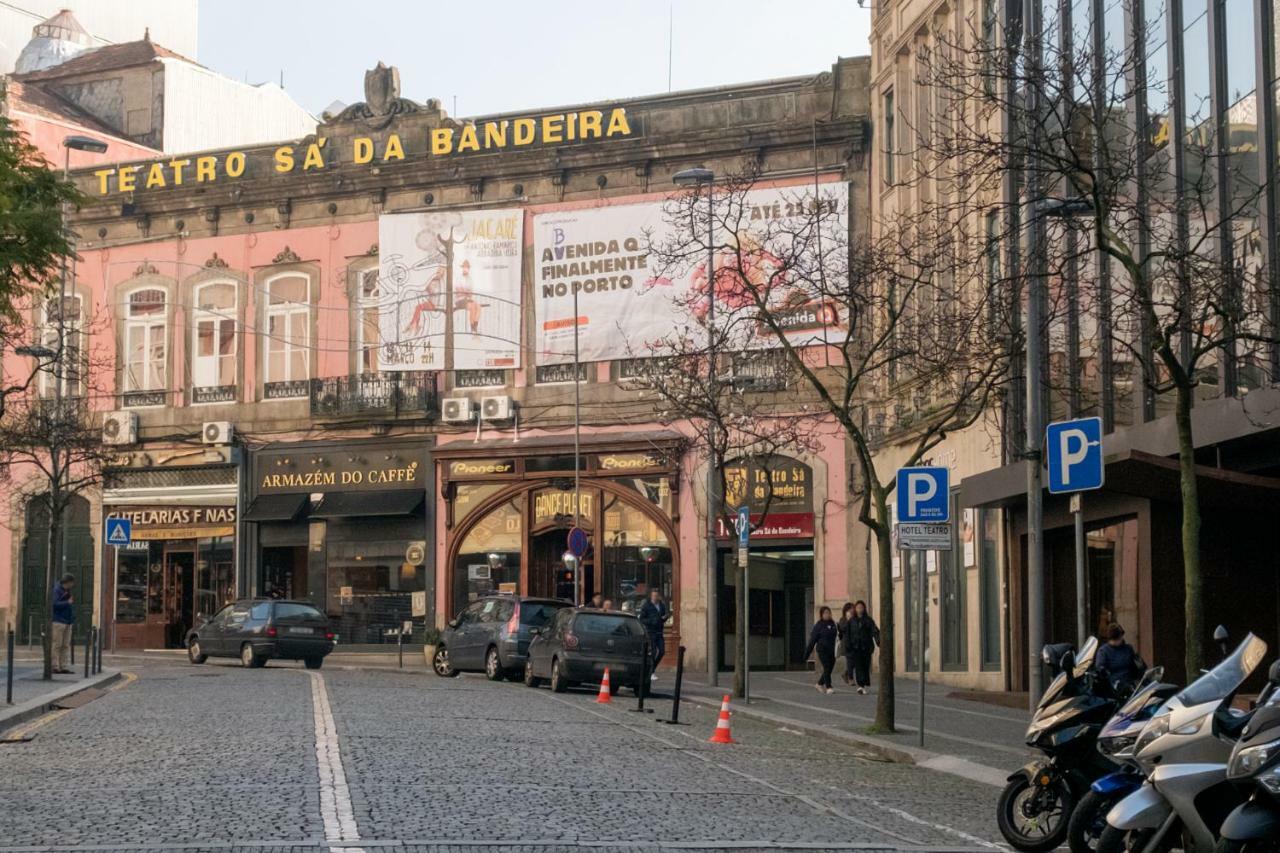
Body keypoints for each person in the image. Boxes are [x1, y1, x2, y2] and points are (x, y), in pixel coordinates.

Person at [842, 600, 880, 694]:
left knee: (865, 666)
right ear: (855, 609)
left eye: (861, 607)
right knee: (859, 666)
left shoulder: (868, 620)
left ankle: (863, 683)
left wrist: (879, 641)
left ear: (864, 609)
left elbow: (874, 631)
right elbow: (847, 634)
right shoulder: (851, 621)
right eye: (858, 607)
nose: (860, 609)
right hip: (855, 647)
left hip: (866, 647)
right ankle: (860, 686)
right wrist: (848, 645)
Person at [1095, 623, 1143, 693]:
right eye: (1116, 639)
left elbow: (1135, 666)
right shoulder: (1103, 651)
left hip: (1129, 685)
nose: (1119, 640)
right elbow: (1100, 669)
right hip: (1112, 687)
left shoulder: (1128, 649)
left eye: (1120, 638)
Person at [803, 606, 839, 694]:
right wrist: (807, 654)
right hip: (822, 649)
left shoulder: (834, 624)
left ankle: (819, 683)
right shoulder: (819, 625)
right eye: (825, 613)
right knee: (827, 666)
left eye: (829, 613)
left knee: (830, 668)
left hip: (832, 649)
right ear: (821, 615)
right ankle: (829, 686)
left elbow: (839, 635)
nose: (827, 615)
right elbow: (812, 640)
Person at [637, 590, 668, 679]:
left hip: (659, 631)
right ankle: (651, 672)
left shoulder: (661, 605)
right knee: (653, 652)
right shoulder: (646, 606)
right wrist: (652, 621)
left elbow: (662, 617)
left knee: (662, 651)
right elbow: (642, 619)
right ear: (651, 597)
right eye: (653, 596)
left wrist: (664, 618)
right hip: (650, 632)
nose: (655, 597)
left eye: (656, 595)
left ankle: (652, 669)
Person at [51, 573, 75, 674]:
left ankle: (63, 666)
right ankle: (55, 666)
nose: (73, 585)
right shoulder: (57, 590)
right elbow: (54, 604)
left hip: (67, 620)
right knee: (57, 644)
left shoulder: (67, 591)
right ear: (68, 582)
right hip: (58, 621)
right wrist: (67, 603)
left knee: (65, 645)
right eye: (72, 582)